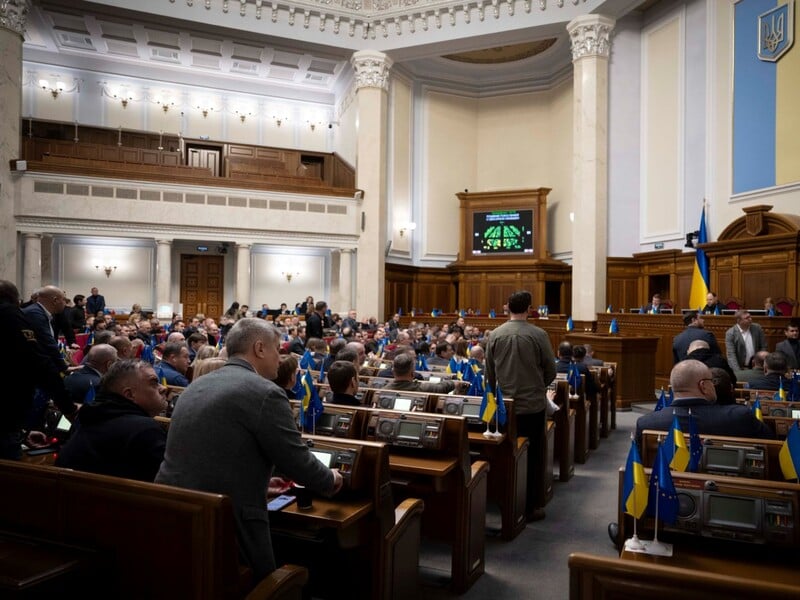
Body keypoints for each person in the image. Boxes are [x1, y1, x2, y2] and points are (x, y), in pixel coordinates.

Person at [155, 318, 343, 580]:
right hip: (227, 525)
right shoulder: (265, 392)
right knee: (270, 582)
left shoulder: (196, 386)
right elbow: (296, 461)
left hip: (174, 512)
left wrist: (259, 481)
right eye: (277, 349)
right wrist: (330, 478)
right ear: (259, 348)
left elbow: (215, 453)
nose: (280, 357)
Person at [485, 290, 556, 522]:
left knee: (505, 453)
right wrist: (538, 386)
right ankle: (531, 506)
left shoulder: (495, 334)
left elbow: (489, 373)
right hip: (532, 405)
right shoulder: (538, 334)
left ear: (507, 308)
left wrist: (496, 397)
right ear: (529, 309)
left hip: (504, 405)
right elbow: (551, 369)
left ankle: (504, 500)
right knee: (534, 456)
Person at [56, 359, 168, 481]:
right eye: (154, 383)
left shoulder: (88, 419)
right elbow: (168, 482)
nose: (163, 388)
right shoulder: (145, 430)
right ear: (129, 395)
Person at [0, 280, 75, 459]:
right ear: (15, 299)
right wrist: (68, 408)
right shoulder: (11, 315)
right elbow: (38, 363)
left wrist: (23, 432)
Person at [634, 359, 773, 443]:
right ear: (703, 386)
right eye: (711, 381)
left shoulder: (646, 423)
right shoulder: (740, 416)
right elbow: (772, 443)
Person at [385, 352, 455, 393]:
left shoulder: (384, 390)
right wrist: (455, 383)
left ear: (393, 372)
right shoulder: (425, 388)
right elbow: (442, 387)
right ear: (413, 373)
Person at [725, 309, 767, 374]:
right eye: (747, 318)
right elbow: (731, 355)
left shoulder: (757, 328)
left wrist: (761, 365)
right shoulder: (730, 333)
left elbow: (763, 346)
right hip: (741, 368)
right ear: (739, 321)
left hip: (757, 368)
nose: (750, 319)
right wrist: (738, 372)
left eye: (750, 316)